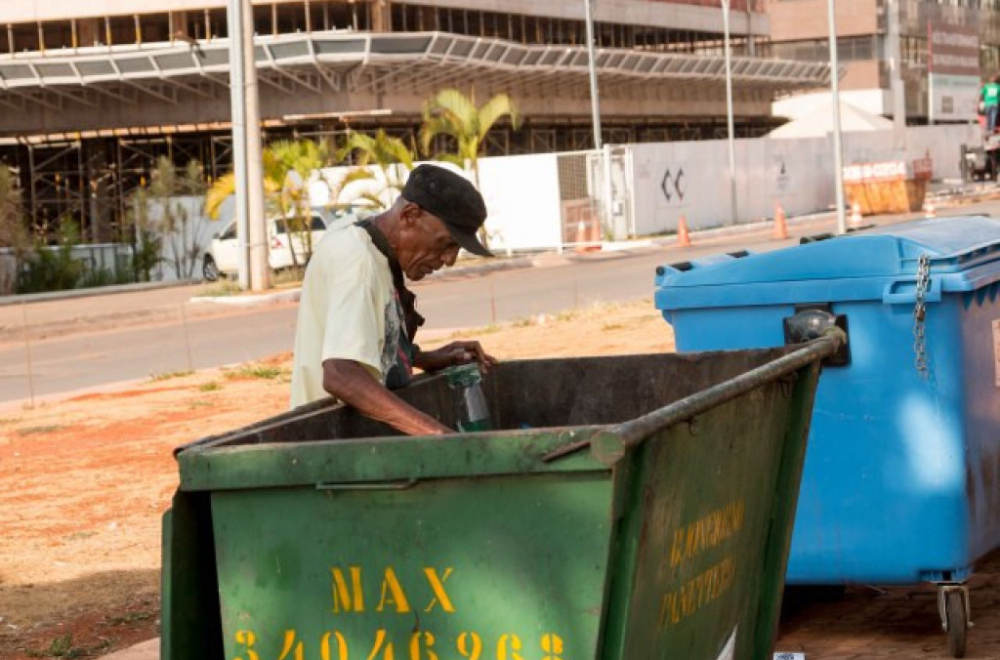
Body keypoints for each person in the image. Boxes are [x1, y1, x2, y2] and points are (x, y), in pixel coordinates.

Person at [289, 164, 498, 435]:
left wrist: (421, 357)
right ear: (410, 215)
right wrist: (438, 435)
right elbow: (340, 373)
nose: (449, 260)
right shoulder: (357, 261)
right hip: (330, 440)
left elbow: (367, 341)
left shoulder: (373, 239)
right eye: (445, 243)